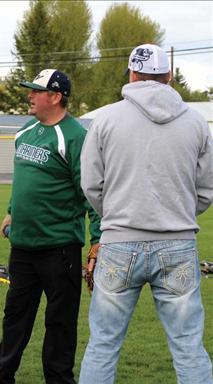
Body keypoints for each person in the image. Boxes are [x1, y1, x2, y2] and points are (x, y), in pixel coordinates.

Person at [79, 43, 213, 384]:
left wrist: (116, 215)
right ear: (168, 75)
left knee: (103, 345)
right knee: (188, 347)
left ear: (132, 73)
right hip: (177, 245)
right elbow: (205, 190)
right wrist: (178, 212)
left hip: (119, 244)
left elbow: (92, 184)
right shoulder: (197, 123)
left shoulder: (105, 119)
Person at [0, 69, 101, 384]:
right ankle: (1, 376)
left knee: (59, 322)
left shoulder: (75, 137)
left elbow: (92, 194)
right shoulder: (26, 130)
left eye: (36, 91)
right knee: (15, 316)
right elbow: (24, 180)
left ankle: (58, 380)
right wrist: (10, 211)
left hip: (60, 248)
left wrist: (98, 241)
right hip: (23, 247)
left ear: (56, 96)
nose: (29, 96)